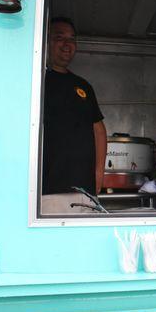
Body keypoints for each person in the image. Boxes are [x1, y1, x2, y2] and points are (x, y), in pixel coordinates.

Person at [41, 17, 107, 214]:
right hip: (49, 191)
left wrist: (98, 174)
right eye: (59, 37)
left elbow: (99, 130)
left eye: (72, 39)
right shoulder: (37, 81)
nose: (67, 44)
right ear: (45, 41)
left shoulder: (83, 86)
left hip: (85, 191)